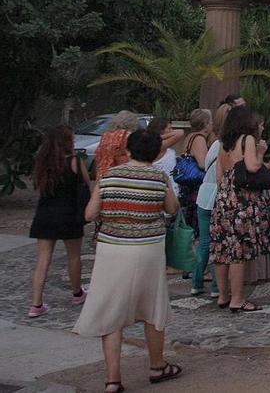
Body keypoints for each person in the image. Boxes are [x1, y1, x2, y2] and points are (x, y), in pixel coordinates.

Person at [74, 129, 183, 393]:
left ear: (129, 150)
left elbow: (89, 214)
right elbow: (172, 209)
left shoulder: (109, 176)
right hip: (149, 249)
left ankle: (113, 379)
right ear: (156, 151)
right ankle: (157, 365)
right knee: (152, 308)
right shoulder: (159, 177)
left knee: (112, 312)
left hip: (113, 249)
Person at [210, 105, 270, 312]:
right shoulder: (247, 139)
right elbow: (253, 167)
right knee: (239, 251)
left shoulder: (223, 144)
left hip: (223, 199)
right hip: (242, 200)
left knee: (222, 250)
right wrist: (260, 153)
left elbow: (219, 176)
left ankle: (223, 295)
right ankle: (238, 298)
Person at [28, 124, 90, 317]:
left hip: (45, 214)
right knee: (73, 256)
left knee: (42, 259)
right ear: (67, 141)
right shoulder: (74, 161)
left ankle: (36, 304)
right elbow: (87, 183)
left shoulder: (42, 162)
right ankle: (77, 292)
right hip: (69, 215)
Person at [192, 104, 228, 298]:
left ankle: (196, 282)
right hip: (217, 195)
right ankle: (217, 287)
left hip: (204, 194)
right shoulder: (225, 146)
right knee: (220, 243)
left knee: (205, 242)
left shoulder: (213, 144)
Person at [176, 109, 211, 235]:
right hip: (195, 186)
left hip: (186, 186)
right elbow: (203, 163)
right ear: (206, 124)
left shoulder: (189, 137)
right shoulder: (199, 139)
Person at [91, 110, 139, 180]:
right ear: (132, 123)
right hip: (119, 174)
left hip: (102, 173)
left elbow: (98, 154)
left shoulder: (106, 135)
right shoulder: (128, 135)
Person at [147, 117, 185, 195]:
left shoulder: (156, 143)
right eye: (169, 128)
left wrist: (159, 137)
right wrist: (157, 137)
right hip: (166, 189)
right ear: (161, 130)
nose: (172, 131)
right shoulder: (160, 145)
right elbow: (180, 133)